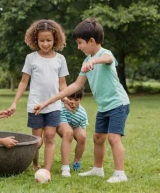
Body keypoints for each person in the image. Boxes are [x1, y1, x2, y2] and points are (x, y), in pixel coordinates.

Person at [33, 18, 130, 183]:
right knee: (98, 137)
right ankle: (98, 169)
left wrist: (94, 60)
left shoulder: (105, 54)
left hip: (118, 104)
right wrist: (49, 101)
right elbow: (75, 85)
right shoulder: (86, 61)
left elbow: (107, 60)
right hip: (104, 106)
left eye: (80, 43)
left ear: (91, 41)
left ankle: (120, 173)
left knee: (113, 138)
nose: (78, 47)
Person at [7, 19, 69, 174]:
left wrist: (66, 98)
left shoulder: (60, 59)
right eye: (42, 40)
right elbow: (23, 82)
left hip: (53, 106)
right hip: (35, 105)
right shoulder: (31, 58)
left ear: (55, 39)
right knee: (37, 141)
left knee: (49, 136)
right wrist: (14, 103)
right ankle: (35, 164)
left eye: (49, 40)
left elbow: (62, 84)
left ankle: (46, 170)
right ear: (36, 40)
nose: (46, 44)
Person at [58, 87, 88, 177]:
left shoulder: (82, 113)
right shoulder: (61, 106)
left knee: (82, 137)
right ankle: (65, 167)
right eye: (70, 99)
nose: (72, 102)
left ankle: (77, 161)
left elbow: (83, 129)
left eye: (76, 100)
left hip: (75, 127)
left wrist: (82, 140)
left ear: (80, 100)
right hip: (61, 125)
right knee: (68, 133)